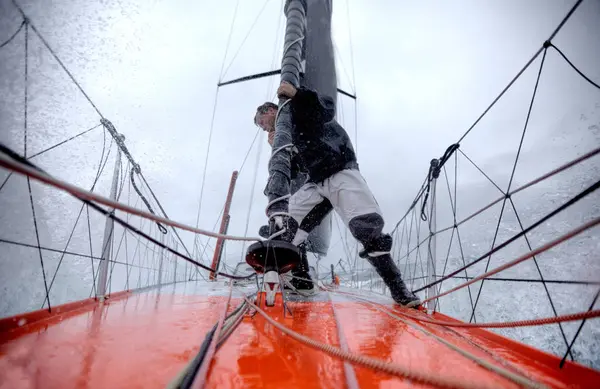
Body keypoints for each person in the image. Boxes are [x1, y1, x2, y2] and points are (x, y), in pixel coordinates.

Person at [254, 82, 421, 307]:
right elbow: (295, 171)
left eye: (262, 124)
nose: (265, 129)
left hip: (341, 170)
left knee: (366, 227)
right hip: (316, 182)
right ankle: (302, 281)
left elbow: (326, 108)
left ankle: (399, 290)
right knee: (286, 226)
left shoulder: (298, 107)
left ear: (270, 111)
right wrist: (280, 148)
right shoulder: (289, 134)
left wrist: (297, 94)